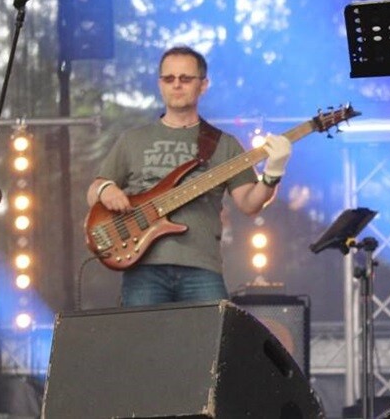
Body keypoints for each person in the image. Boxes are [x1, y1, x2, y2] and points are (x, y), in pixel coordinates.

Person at [85, 45, 291, 306]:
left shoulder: (224, 144)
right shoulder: (132, 139)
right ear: (160, 84)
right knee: (142, 334)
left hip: (202, 266)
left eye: (185, 78)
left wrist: (273, 172)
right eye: (168, 78)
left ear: (203, 85)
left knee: (210, 333)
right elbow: (93, 192)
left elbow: (249, 204)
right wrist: (106, 189)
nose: (176, 85)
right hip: (143, 267)